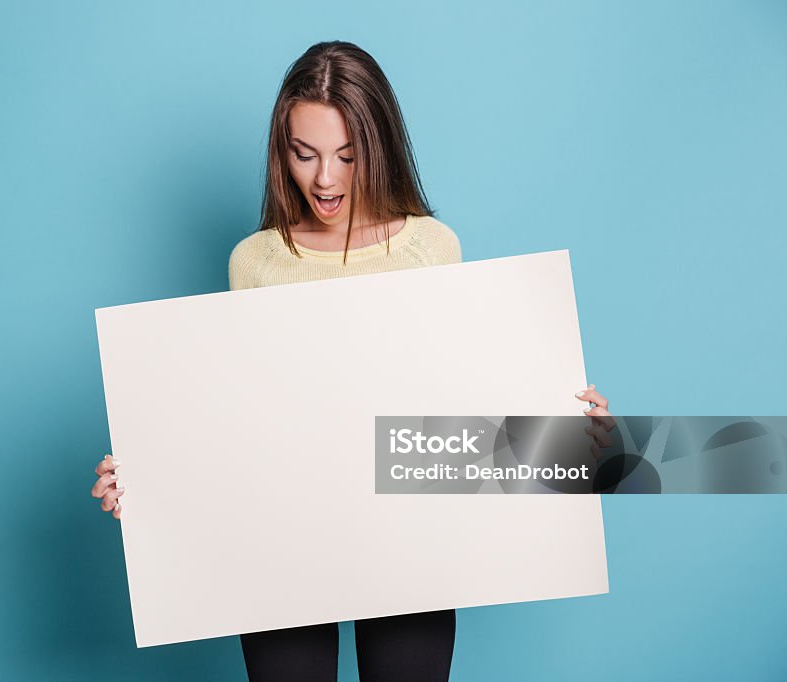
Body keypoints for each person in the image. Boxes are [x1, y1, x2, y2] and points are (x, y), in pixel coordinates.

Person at [91, 40, 612, 682]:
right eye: (303, 154)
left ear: (380, 146)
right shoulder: (253, 262)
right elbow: (238, 422)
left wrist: (566, 432)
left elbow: (458, 409)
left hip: (409, 542)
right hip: (281, 546)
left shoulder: (431, 249)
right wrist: (151, 483)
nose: (325, 179)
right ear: (282, 152)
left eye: (347, 154)